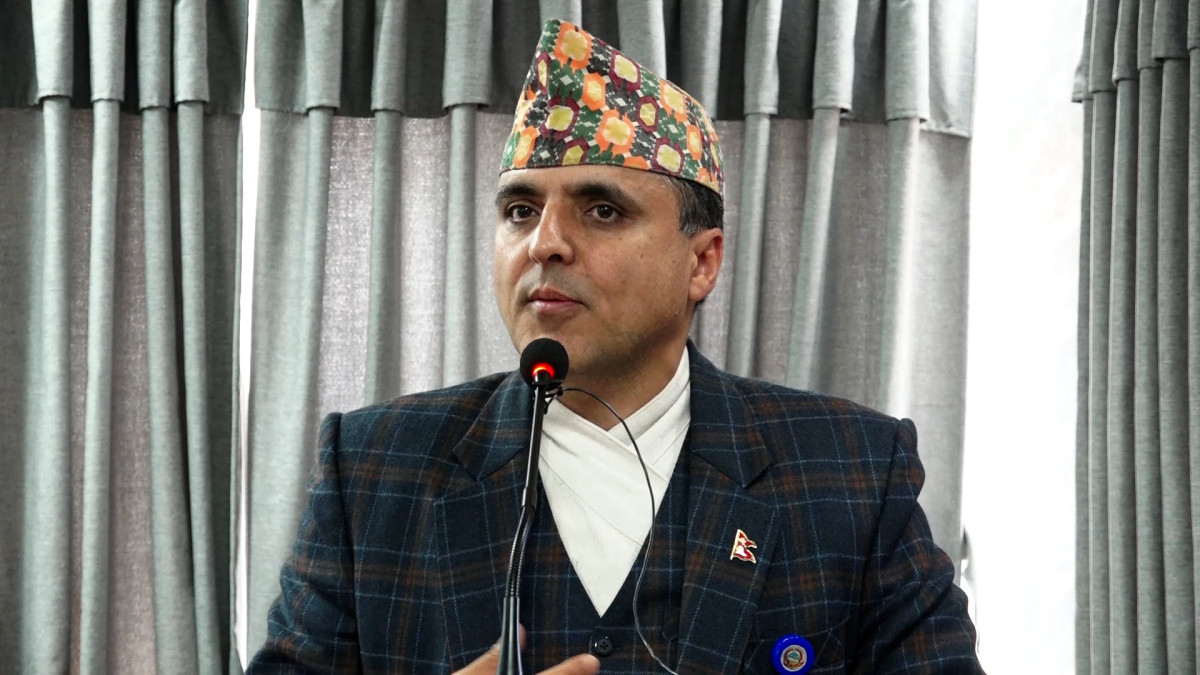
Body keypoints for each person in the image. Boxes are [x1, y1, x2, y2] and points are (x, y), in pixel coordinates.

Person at [248, 19, 983, 674]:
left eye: (602, 210)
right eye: (519, 210)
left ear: (702, 262)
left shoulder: (852, 474)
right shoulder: (374, 471)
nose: (544, 243)